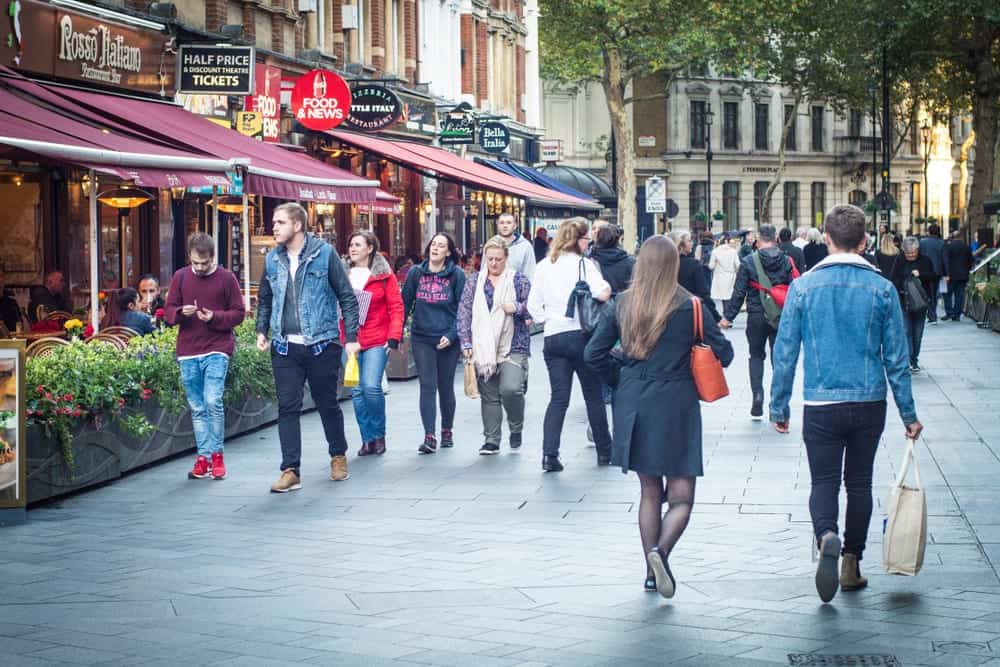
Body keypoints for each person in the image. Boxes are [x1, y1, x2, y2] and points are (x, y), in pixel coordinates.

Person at [770, 204, 922, 603]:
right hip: (869, 401)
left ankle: (826, 535)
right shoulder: (883, 289)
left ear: (827, 237)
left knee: (823, 481)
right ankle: (851, 563)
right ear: (865, 241)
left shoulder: (803, 288)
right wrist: (909, 414)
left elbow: (785, 352)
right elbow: (896, 357)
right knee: (859, 483)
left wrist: (779, 406)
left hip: (821, 402)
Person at [585, 235, 733, 598]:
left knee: (650, 491)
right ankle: (660, 553)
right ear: (673, 266)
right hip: (677, 400)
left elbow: (593, 354)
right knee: (681, 497)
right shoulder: (691, 306)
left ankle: (650, 575)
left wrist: (620, 379)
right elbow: (725, 354)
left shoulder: (621, 304)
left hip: (634, 400)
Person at [256, 203, 360, 493]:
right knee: (287, 406)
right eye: (273, 222)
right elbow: (265, 299)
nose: (273, 227)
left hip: (321, 344)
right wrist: (261, 330)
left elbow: (347, 298)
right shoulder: (272, 260)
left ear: (298, 225)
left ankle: (338, 455)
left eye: (280, 222)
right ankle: (291, 470)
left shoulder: (323, 254)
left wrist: (351, 336)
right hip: (285, 346)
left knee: (326, 403)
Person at [527, 218, 612, 472]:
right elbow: (603, 293)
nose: (589, 243)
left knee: (559, 398)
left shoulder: (544, 266)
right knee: (593, 396)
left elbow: (533, 306)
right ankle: (605, 452)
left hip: (553, 338)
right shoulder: (584, 265)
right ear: (578, 240)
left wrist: (548, 320)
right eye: (586, 239)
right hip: (582, 336)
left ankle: (549, 454)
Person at [165, 233, 246, 481]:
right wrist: (180, 312)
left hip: (217, 347)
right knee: (197, 407)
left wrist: (214, 318)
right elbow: (168, 312)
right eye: (195, 263)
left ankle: (217, 456)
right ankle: (204, 458)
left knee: (212, 401)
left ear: (213, 257)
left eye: (204, 263)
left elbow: (239, 313)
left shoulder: (226, 278)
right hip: (188, 349)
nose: (199, 268)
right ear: (189, 257)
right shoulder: (180, 276)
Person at [457, 236, 532, 455]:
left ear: (506, 258)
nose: (494, 263)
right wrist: (465, 341)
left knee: (510, 389)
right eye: (490, 259)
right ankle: (491, 439)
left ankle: (516, 427)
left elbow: (534, 307)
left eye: (498, 259)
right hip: (483, 345)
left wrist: (516, 307)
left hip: (514, 343)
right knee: (489, 395)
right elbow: (464, 312)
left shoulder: (519, 280)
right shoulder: (474, 281)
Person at [720, 224, 797, 420]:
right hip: (779, 316)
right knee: (778, 358)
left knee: (756, 355)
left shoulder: (748, 261)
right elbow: (794, 288)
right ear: (776, 238)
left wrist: (728, 317)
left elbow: (739, 293)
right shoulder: (787, 261)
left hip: (755, 316)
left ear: (758, 239)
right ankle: (777, 401)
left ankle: (757, 395)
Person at [402, 233, 466, 454]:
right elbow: (405, 302)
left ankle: (447, 429)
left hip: (448, 338)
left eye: (441, 246)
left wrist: (452, 335)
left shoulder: (456, 275)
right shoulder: (416, 273)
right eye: (433, 245)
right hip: (422, 337)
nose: (436, 248)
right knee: (427, 385)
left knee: (445, 386)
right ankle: (429, 435)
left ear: (448, 252)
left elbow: (463, 310)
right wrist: (397, 331)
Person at [344, 231, 404, 456]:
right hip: (350, 341)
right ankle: (367, 439)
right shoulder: (343, 275)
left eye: (358, 244)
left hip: (377, 338)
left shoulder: (383, 275)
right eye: (351, 244)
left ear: (370, 248)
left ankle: (379, 435)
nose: (353, 248)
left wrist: (394, 337)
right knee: (357, 391)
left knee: (370, 386)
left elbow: (396, 307)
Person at [887, 237, 935, 372]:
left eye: (913, 253)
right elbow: (893, 279)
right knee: (906, 331)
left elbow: (933, 276)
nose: (911, 256)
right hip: (904, 302)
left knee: (917, 333)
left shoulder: (925, 260)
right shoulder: (899, 260)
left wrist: (921, 274)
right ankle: (908, 360)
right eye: (908, 253)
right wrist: (903, 284)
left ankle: (914, 358)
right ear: (903, 251)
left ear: (917, 250)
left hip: (920, 304)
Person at [668, 231, 721, 322]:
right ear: (681, 245)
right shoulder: (693, 265)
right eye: (689, 241)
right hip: (689, 311)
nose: (692, 243)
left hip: (667, 312)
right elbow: (704, 293)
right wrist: (716, 316)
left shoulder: (665, 264)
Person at [590, 223, 635, 296]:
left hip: (598, 305)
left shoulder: (589, 261)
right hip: (624, 304)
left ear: (598, 238)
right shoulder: (631, 262)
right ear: (618, 240)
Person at [943, 230, 974, 321]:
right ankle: (957, 314)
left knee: (947, 293)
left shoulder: (948, 246)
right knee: (959, 295)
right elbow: (971, 260)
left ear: (953, 237)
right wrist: (967, 270)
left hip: (951, 275)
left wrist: (946, 273)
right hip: (963, 275)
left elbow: (946, 261)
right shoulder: (966, 247)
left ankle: (949, 312)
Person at [496, 213, 536, 280]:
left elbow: (530, 273)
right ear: (497, 225)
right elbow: (484, 271)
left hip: (517, 289)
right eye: (501, 223)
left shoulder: (525, 246)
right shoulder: (491, 244)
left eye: (508, 223)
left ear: (515, 226)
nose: (505, 226)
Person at [919, 224, 945, 324]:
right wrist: (946, 273)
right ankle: (932, 313)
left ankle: (931, 314)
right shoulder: (941, 243)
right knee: (933, 293)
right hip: (937, 272)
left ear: (929, 232)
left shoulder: (922, 242)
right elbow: (944, 259)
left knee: (926, 293)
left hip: (925, 272)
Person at [709, 234, 741, 314]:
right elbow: (738, 265)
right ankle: (727, 314)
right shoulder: (733, 251)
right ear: (727, 241)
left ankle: (725, 313)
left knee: (723, 297)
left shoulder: (715, 251)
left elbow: (711, 266)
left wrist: (716, 263)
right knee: (729, 296)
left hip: (719, 276)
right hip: (730, 276)